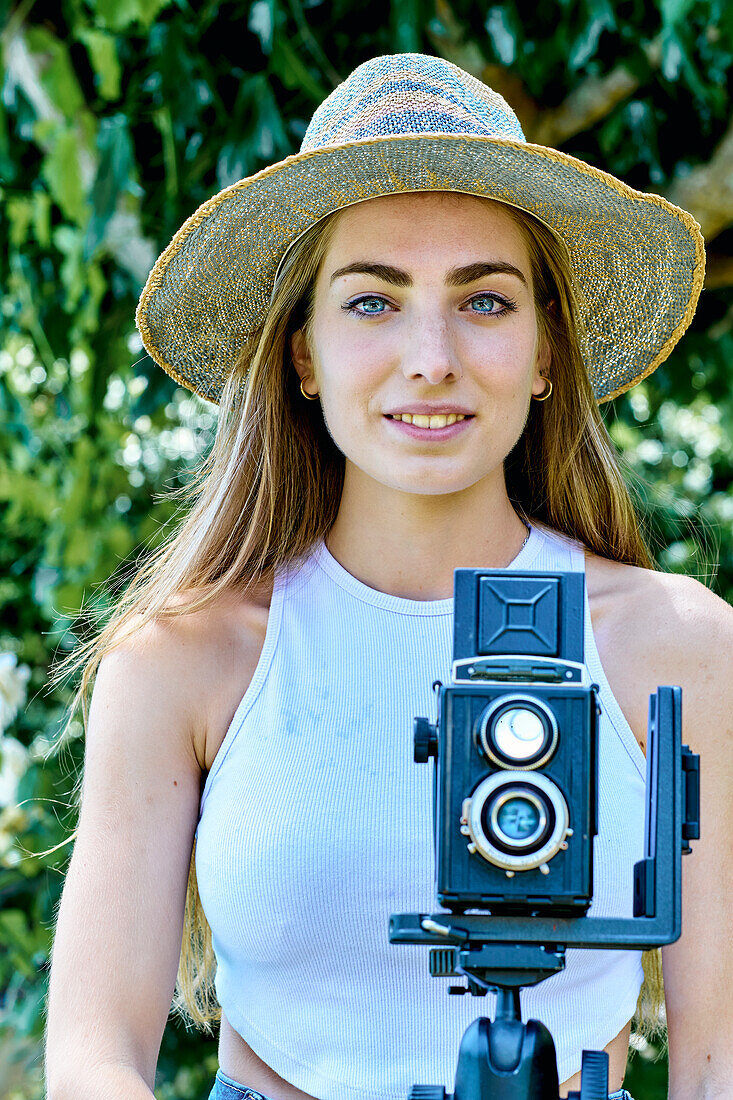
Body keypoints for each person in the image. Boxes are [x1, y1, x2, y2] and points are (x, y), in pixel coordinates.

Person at [44, 53, 732, 1100]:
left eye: (486, 302)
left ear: (548, 348)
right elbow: (92, 1053)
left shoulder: (678, 649)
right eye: (371, 301)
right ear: (304, 354)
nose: (430, 355)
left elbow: (718, 1056)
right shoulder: (186, 659)